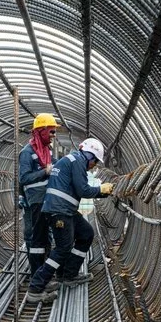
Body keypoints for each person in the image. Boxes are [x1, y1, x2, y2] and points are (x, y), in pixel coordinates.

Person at [26, 138, 114, 303]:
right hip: (60, 211)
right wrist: (101, 190)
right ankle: (36, 287)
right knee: (63, 248)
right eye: (95, 161)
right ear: (89, 155)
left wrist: (101, 192)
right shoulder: (77, 162)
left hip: (66, 210)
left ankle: (69, 274)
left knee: (86, 233)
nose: (94, 165)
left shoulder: (71, 160)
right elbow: (83, 189)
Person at [19, 114, 60, 292]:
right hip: (35, 200)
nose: (53, 135)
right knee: (37, 239)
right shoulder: (27, 152)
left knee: (46, 237)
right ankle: (38, 277)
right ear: (41, 131)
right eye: (51, 131)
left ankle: (44, 274)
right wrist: (45, 171)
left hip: (46, 199)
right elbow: (24, 178)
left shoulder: (47, 150)